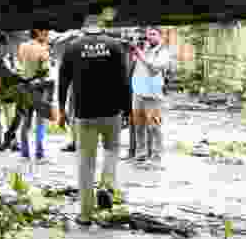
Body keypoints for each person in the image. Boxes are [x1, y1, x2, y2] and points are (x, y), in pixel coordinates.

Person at [56, 13, 133, 221]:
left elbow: (63, 81)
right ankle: (106, 186)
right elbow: (125, 81)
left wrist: (61, 110)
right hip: (111, 112)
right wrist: (128, 110)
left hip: (84, 113)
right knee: (112, 151)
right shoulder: (116, 46)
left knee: (86, 162)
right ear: (101, 26)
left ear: (83, 27)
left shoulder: (73, 47)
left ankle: (85, 213)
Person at [128, 27, 172, 164]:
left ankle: (156, 157)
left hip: (152, 94)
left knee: (154, 126)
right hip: (138, 92)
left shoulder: (163, 52)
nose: (150, 37)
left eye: (153, 34)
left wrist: (140, 55)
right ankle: (140, 154)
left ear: (161, 36)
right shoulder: (145, 49)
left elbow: (154, 69)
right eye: (148, 35)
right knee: (138, 125)